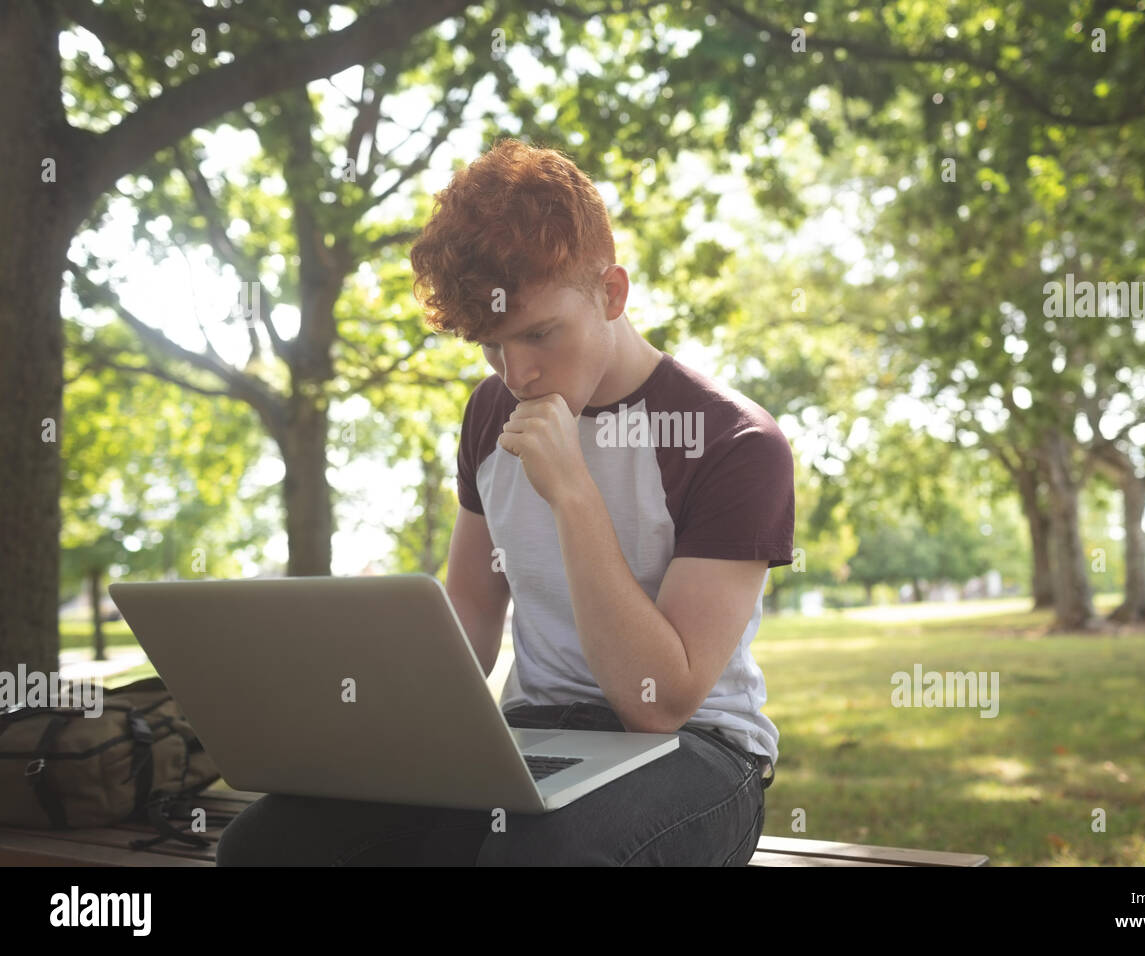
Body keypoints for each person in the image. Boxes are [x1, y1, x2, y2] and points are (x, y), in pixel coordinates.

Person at [216, 138, 794, 866]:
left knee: (535, 858)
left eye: (539, 334)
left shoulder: (735, 442)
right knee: (269, 845)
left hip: (700, 756)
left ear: (612, 293)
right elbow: (473, 615)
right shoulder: (490, 413)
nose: (516, 373)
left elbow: (659, 702)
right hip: (529, 739)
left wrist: (574, 492)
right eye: (491, 346)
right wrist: (363, 721)